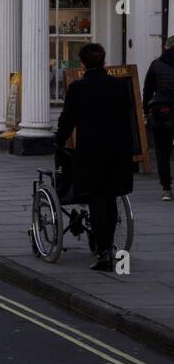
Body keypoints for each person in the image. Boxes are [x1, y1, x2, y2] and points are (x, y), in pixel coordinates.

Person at [55, 43, 135, 272]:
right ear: (103, 61)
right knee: (110, 199)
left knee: (97, 200)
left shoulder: (79, 88)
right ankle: (107, 246)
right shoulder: (119, 86)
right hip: (119, 151)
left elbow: (67, 119)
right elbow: (128, 115)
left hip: (92, 152)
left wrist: (58, 142)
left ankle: (104, 253)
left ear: (83, 63)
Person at [141, 36, 174, 201]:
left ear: (165, 47)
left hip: (162, 113)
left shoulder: (156, 65)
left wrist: (145, 111)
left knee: (163, 152)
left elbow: (147, 90)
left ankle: (166, 188)